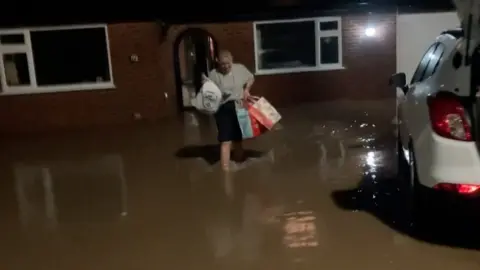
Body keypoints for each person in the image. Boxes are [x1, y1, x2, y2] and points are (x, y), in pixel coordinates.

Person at [207, 50, 255, 171]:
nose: (226, 66)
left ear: (232, 61)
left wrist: (246, 89)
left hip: (238, 106)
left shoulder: (240, 68)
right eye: (223, 64)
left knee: (238, 138)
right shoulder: (213, 74)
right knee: (225, 140)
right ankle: (225, 171)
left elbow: (251, 77)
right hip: (222, 108)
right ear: (218, 62)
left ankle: (239, 165)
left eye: (228, 63)